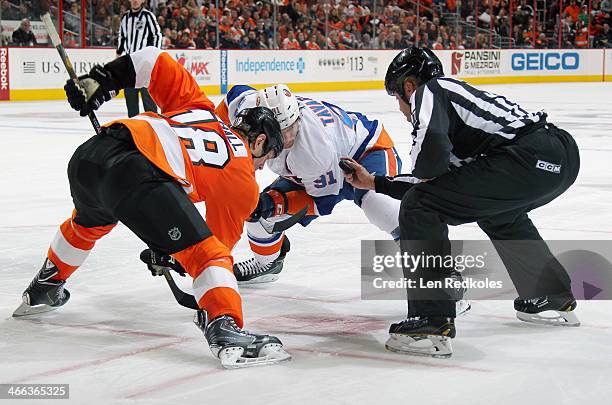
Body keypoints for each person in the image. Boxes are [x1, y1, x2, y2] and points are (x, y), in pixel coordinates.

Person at [13, 46, 289, 369]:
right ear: (258, 142)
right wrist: (175, 254)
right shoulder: (243, 177)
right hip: (136, 174)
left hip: (91, 156)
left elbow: (152, 59)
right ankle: (226, 329)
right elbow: (214, 253)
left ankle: (46, 285)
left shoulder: (200, 106)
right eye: (267, 157)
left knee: (88, 223)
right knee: (209, 254)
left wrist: (103, 81)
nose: (262, 167)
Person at [344, 47, 581, 358]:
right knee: (499, 214)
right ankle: (550, 293)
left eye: (397, 98)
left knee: (419, 205)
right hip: (558, 156)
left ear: (409, 86)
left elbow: (427, 174)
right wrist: (375, 182)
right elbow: (437, 180)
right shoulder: (459, 121)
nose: (402, 110)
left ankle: (431, 320)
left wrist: (417, 174)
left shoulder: (431, 90)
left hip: (526, 157)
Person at [214, 84, 403, 286]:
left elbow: (323, 202)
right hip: (315, 168)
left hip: (366, 150)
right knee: (255, 214)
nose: (289, 137)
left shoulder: (312, 151)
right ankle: (267, 264)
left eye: (291, 128)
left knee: (378, 204)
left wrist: (272, 203)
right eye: (282, 131)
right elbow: (233, 95)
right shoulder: (249, 107)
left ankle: (429, 266)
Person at [117, 0, 162, 117]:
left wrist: (153, 54)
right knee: (131, 100)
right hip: (129, 63)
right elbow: (121, 36)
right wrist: (118, 54)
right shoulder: (125, 18)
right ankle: (134, 129)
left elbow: (157, 35)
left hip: (145, 63)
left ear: (142, 1)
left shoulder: (148, 16)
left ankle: (153, 127)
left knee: (148, 99)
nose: (135, 1)